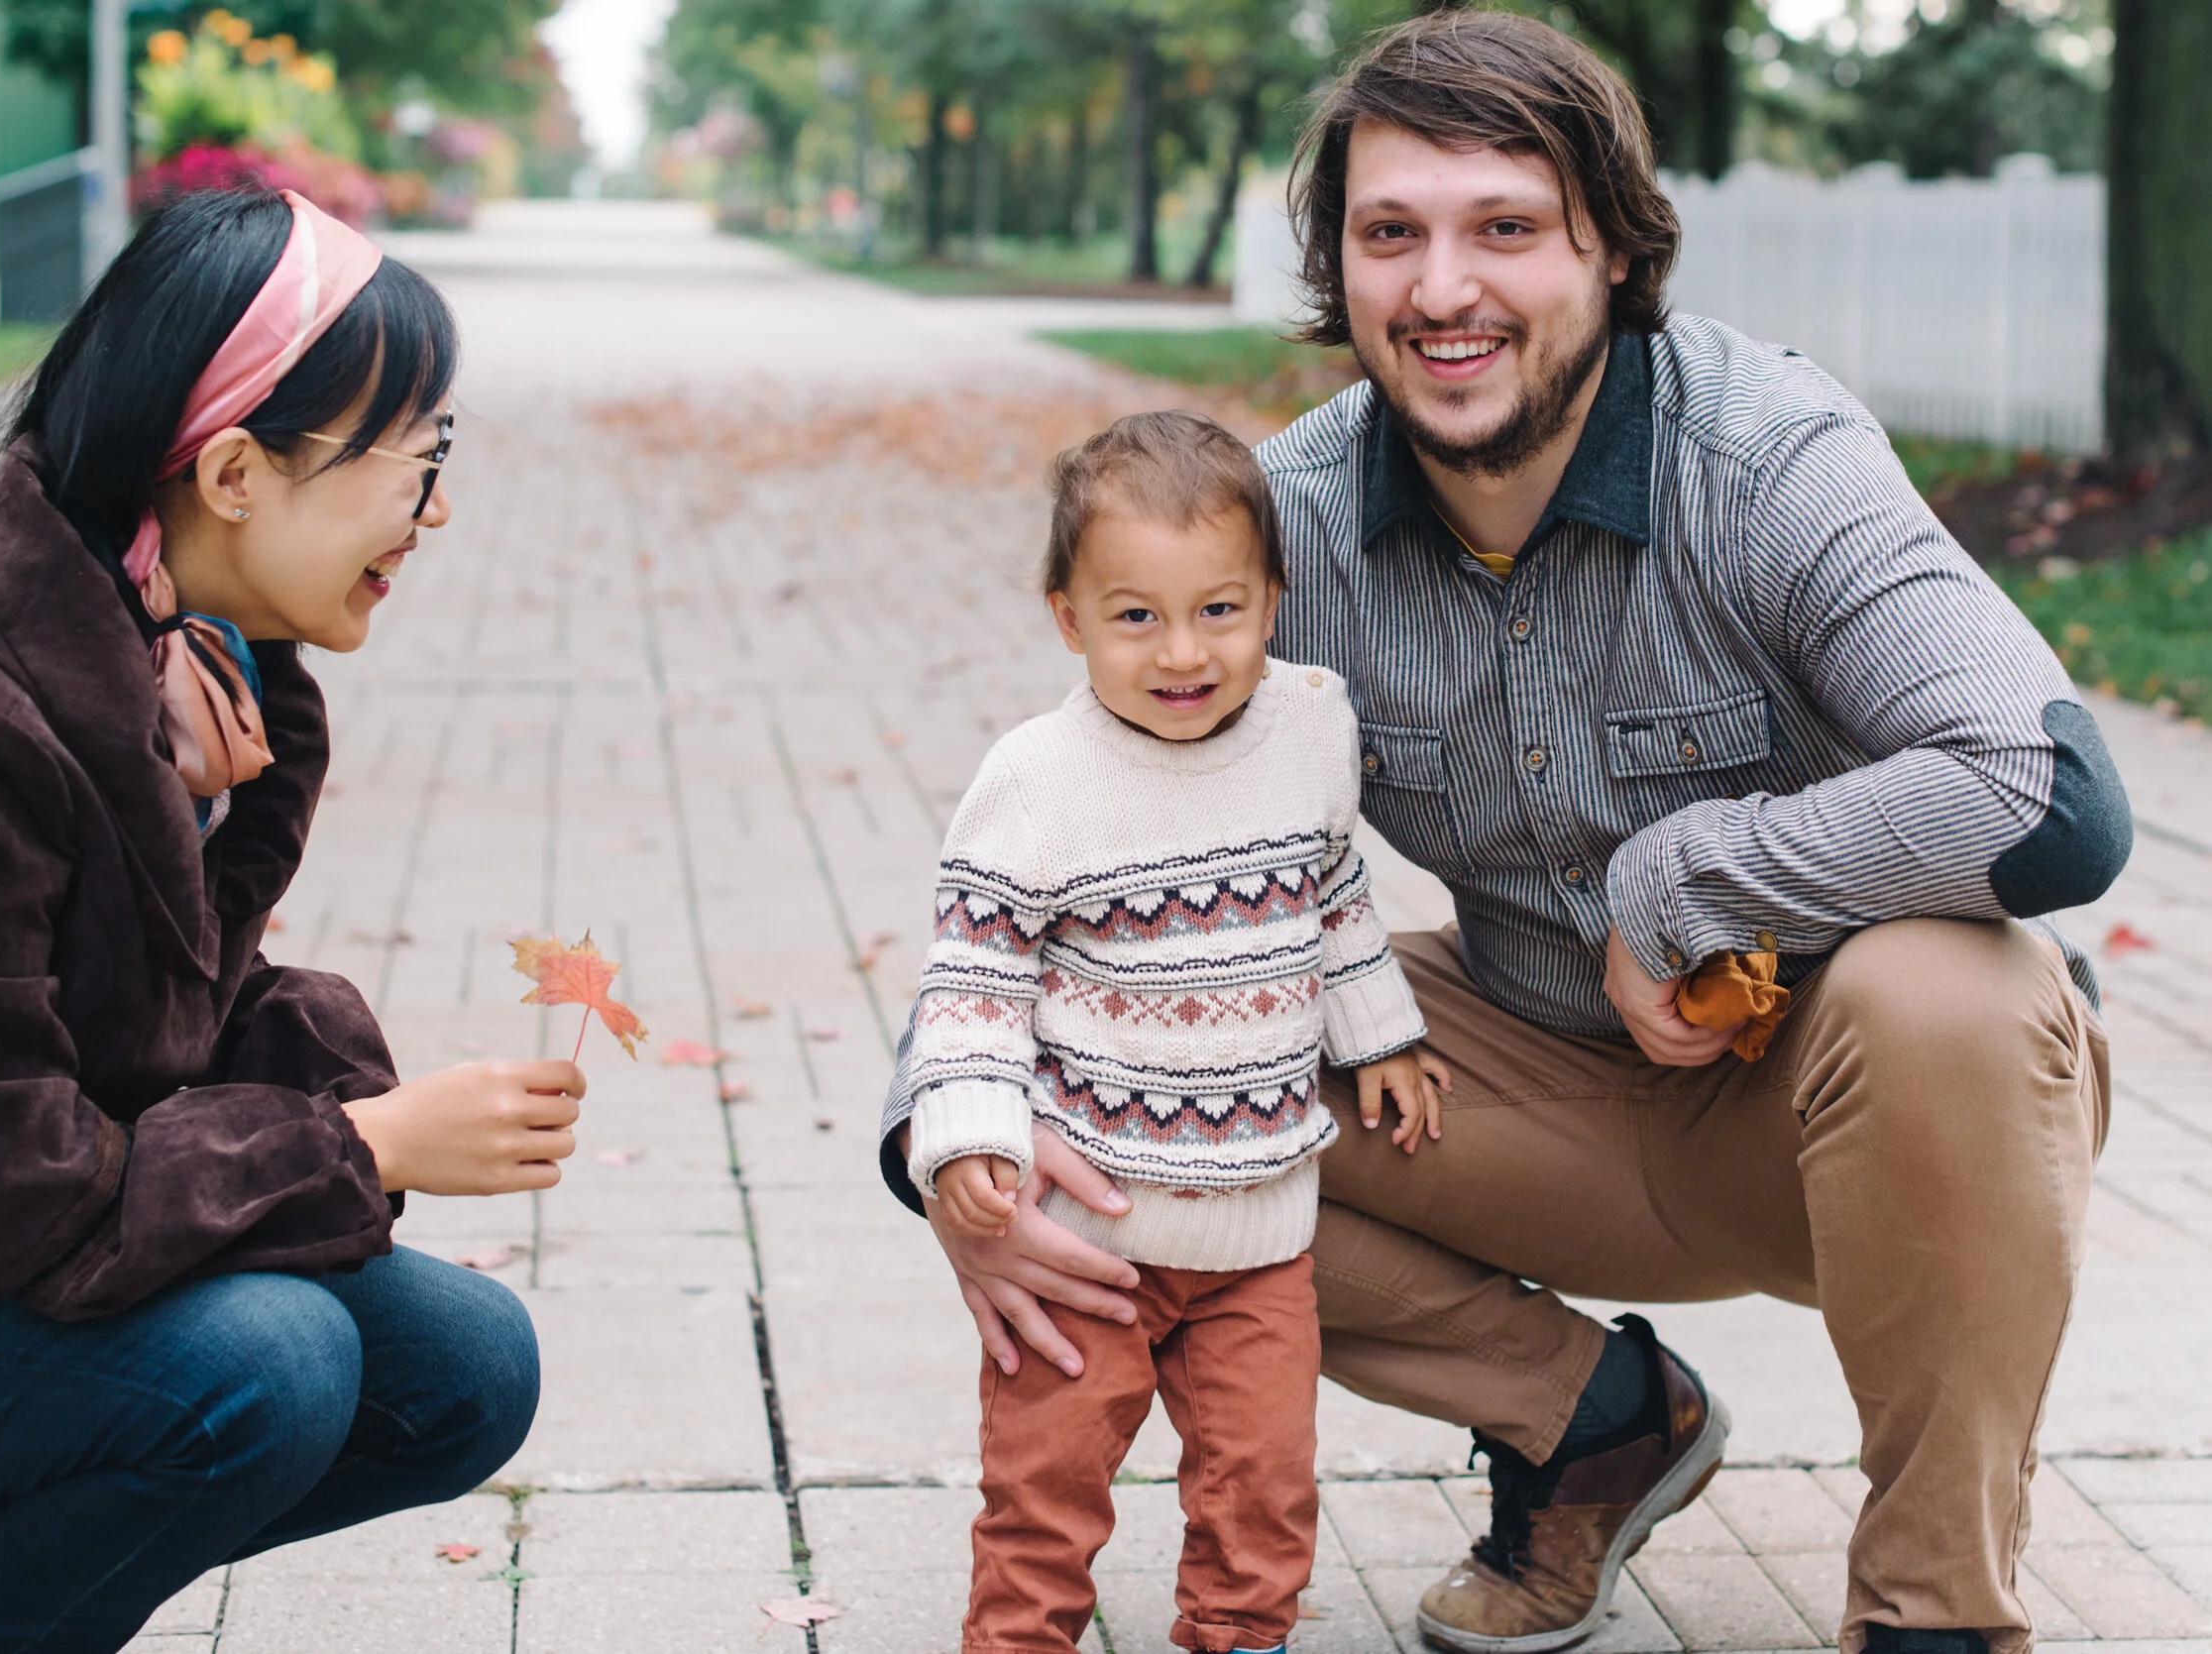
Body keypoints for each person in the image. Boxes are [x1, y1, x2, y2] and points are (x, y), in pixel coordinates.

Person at [882, 14, 2129, 1654]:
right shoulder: (1290, 523)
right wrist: (951, 1151)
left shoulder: (1771, 460)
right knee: (1083, 1089)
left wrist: (1680, 879)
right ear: (1335, 264)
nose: (1441, 288)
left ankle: (1934, 1613)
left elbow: (2051, 794)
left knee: (1956, 993)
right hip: (1515, 1084)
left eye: (1506, 229)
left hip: (1853, 1110)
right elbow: (1059, 865)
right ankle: (1589, 1419)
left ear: (1611, 247)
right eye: (1390, 233)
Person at [0, 189, 582, 1654]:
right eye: (412, 460)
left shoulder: (176, 667)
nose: (434, 512)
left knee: (463, 1366)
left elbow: (163, 1029)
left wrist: (206, 829)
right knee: (267, 1366)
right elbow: (25, 1203)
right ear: (240, 471)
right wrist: (361, 1143)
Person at [890, 410, 1449, 1654]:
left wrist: (1381, 1034)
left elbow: (1334, 894)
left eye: (1220, 610)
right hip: (1086, 1244)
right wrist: (969, 1135)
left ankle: (1241, 1635)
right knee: (1044, 1495)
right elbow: (973, 976)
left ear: (1272, 603)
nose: (1182, 652)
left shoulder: (1308, 730)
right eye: (1134, 614)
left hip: (1261, 1243)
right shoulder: (1037, 780)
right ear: (1067, 617)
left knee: (1264, 1494)